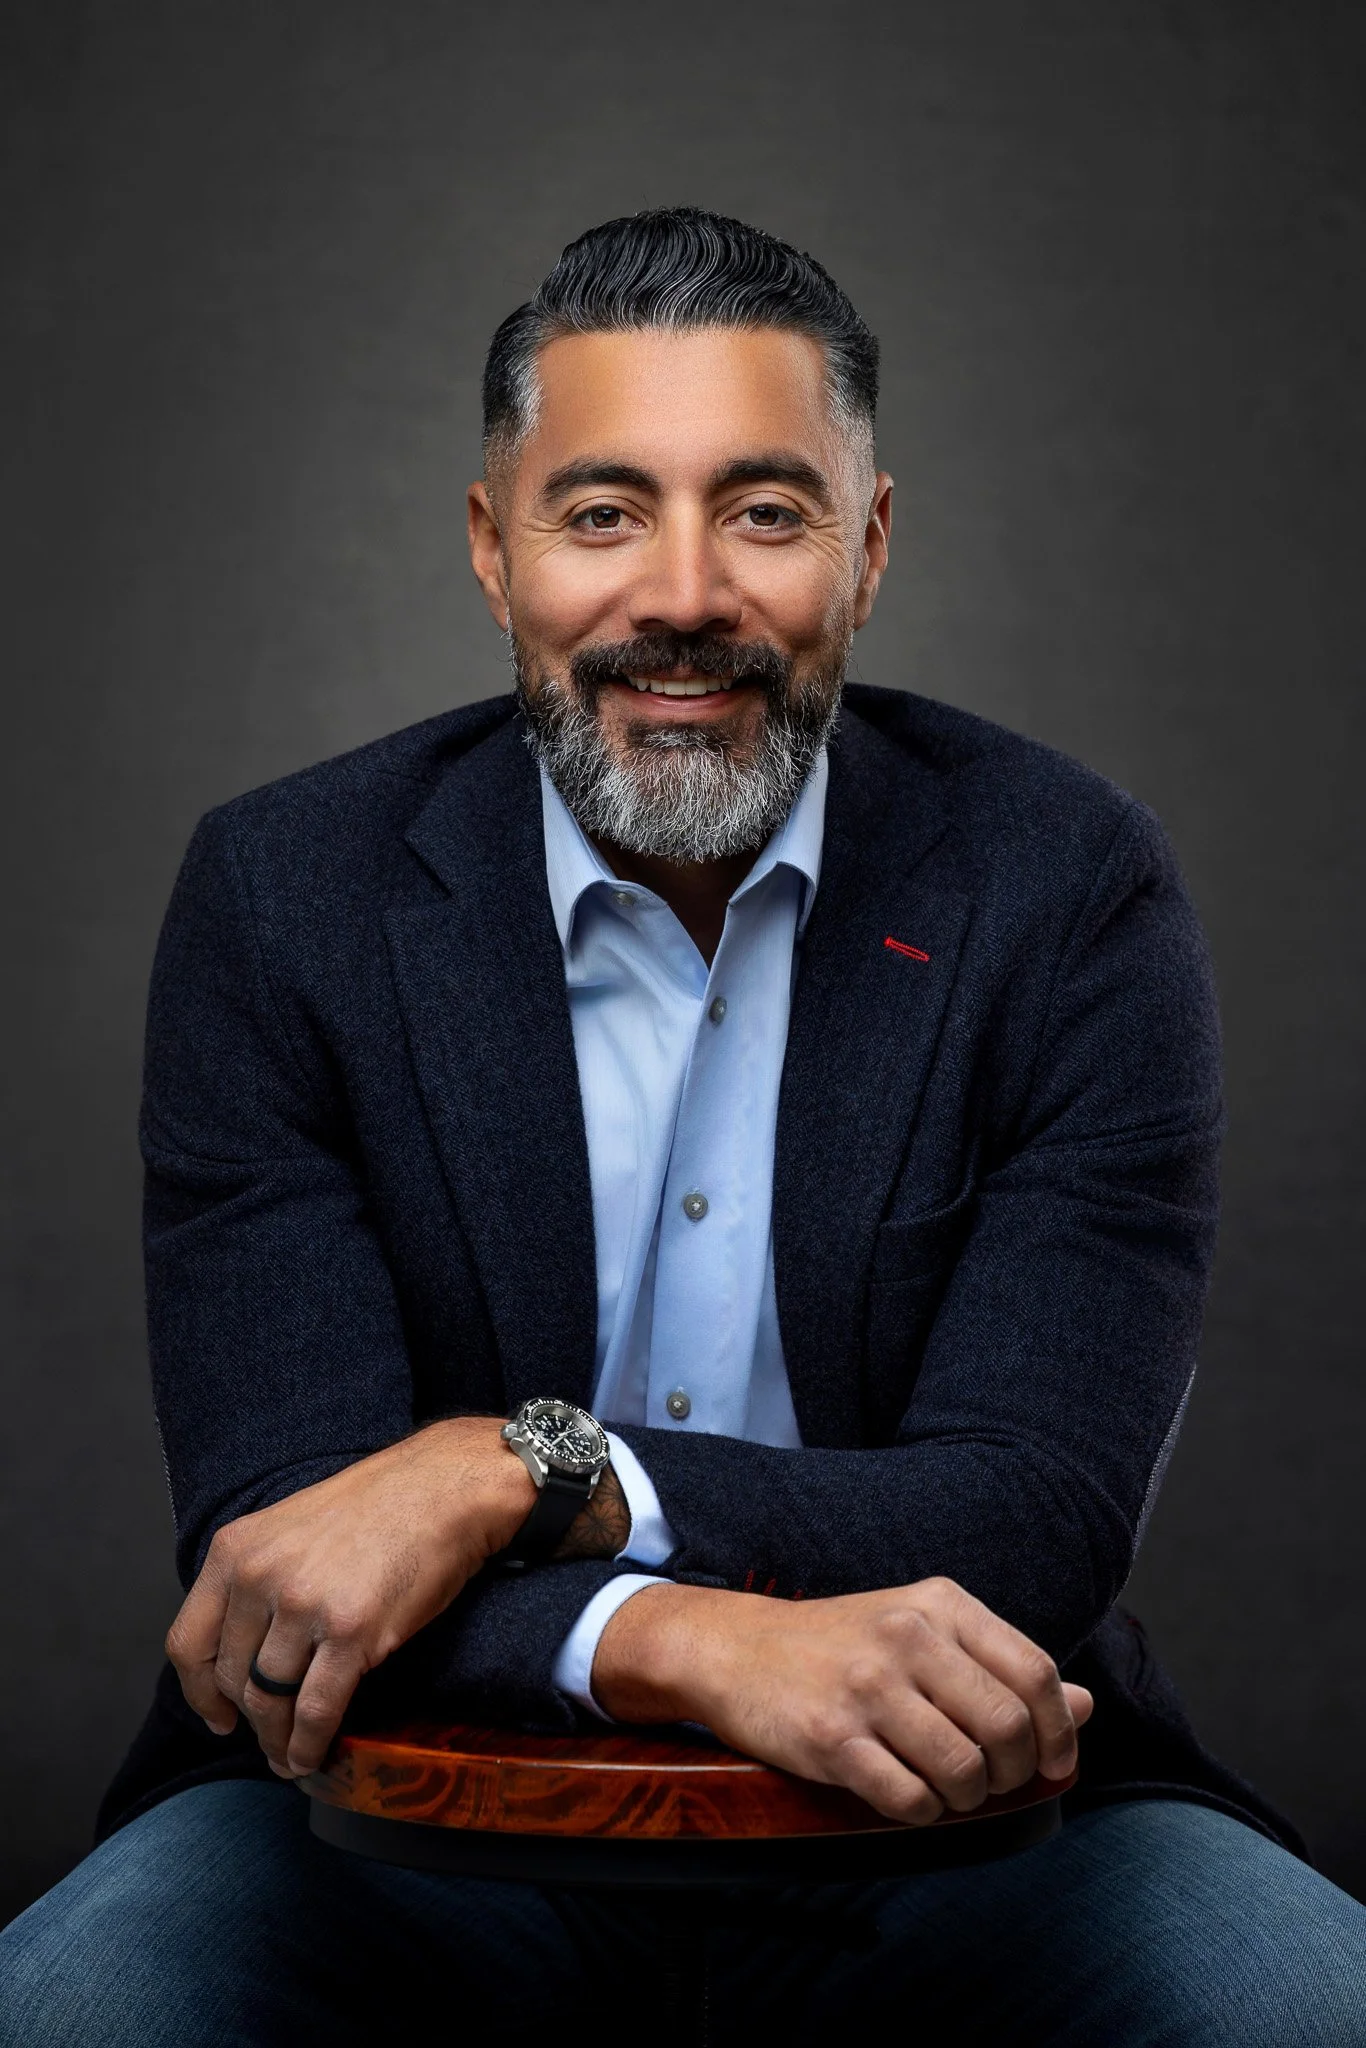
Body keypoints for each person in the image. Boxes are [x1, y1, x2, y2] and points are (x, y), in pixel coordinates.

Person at [3, 207, 1364, 2045]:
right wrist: (691, 1640)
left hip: (969, 1827)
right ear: (493, 551)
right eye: (599, 512)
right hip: (389, 1820)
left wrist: (518, 1470)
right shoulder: (284, 896)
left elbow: (1032, 1513)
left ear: (868, 550)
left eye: (767, 510)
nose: (683, 595)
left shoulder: (1065, 886)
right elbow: (284, 1561)